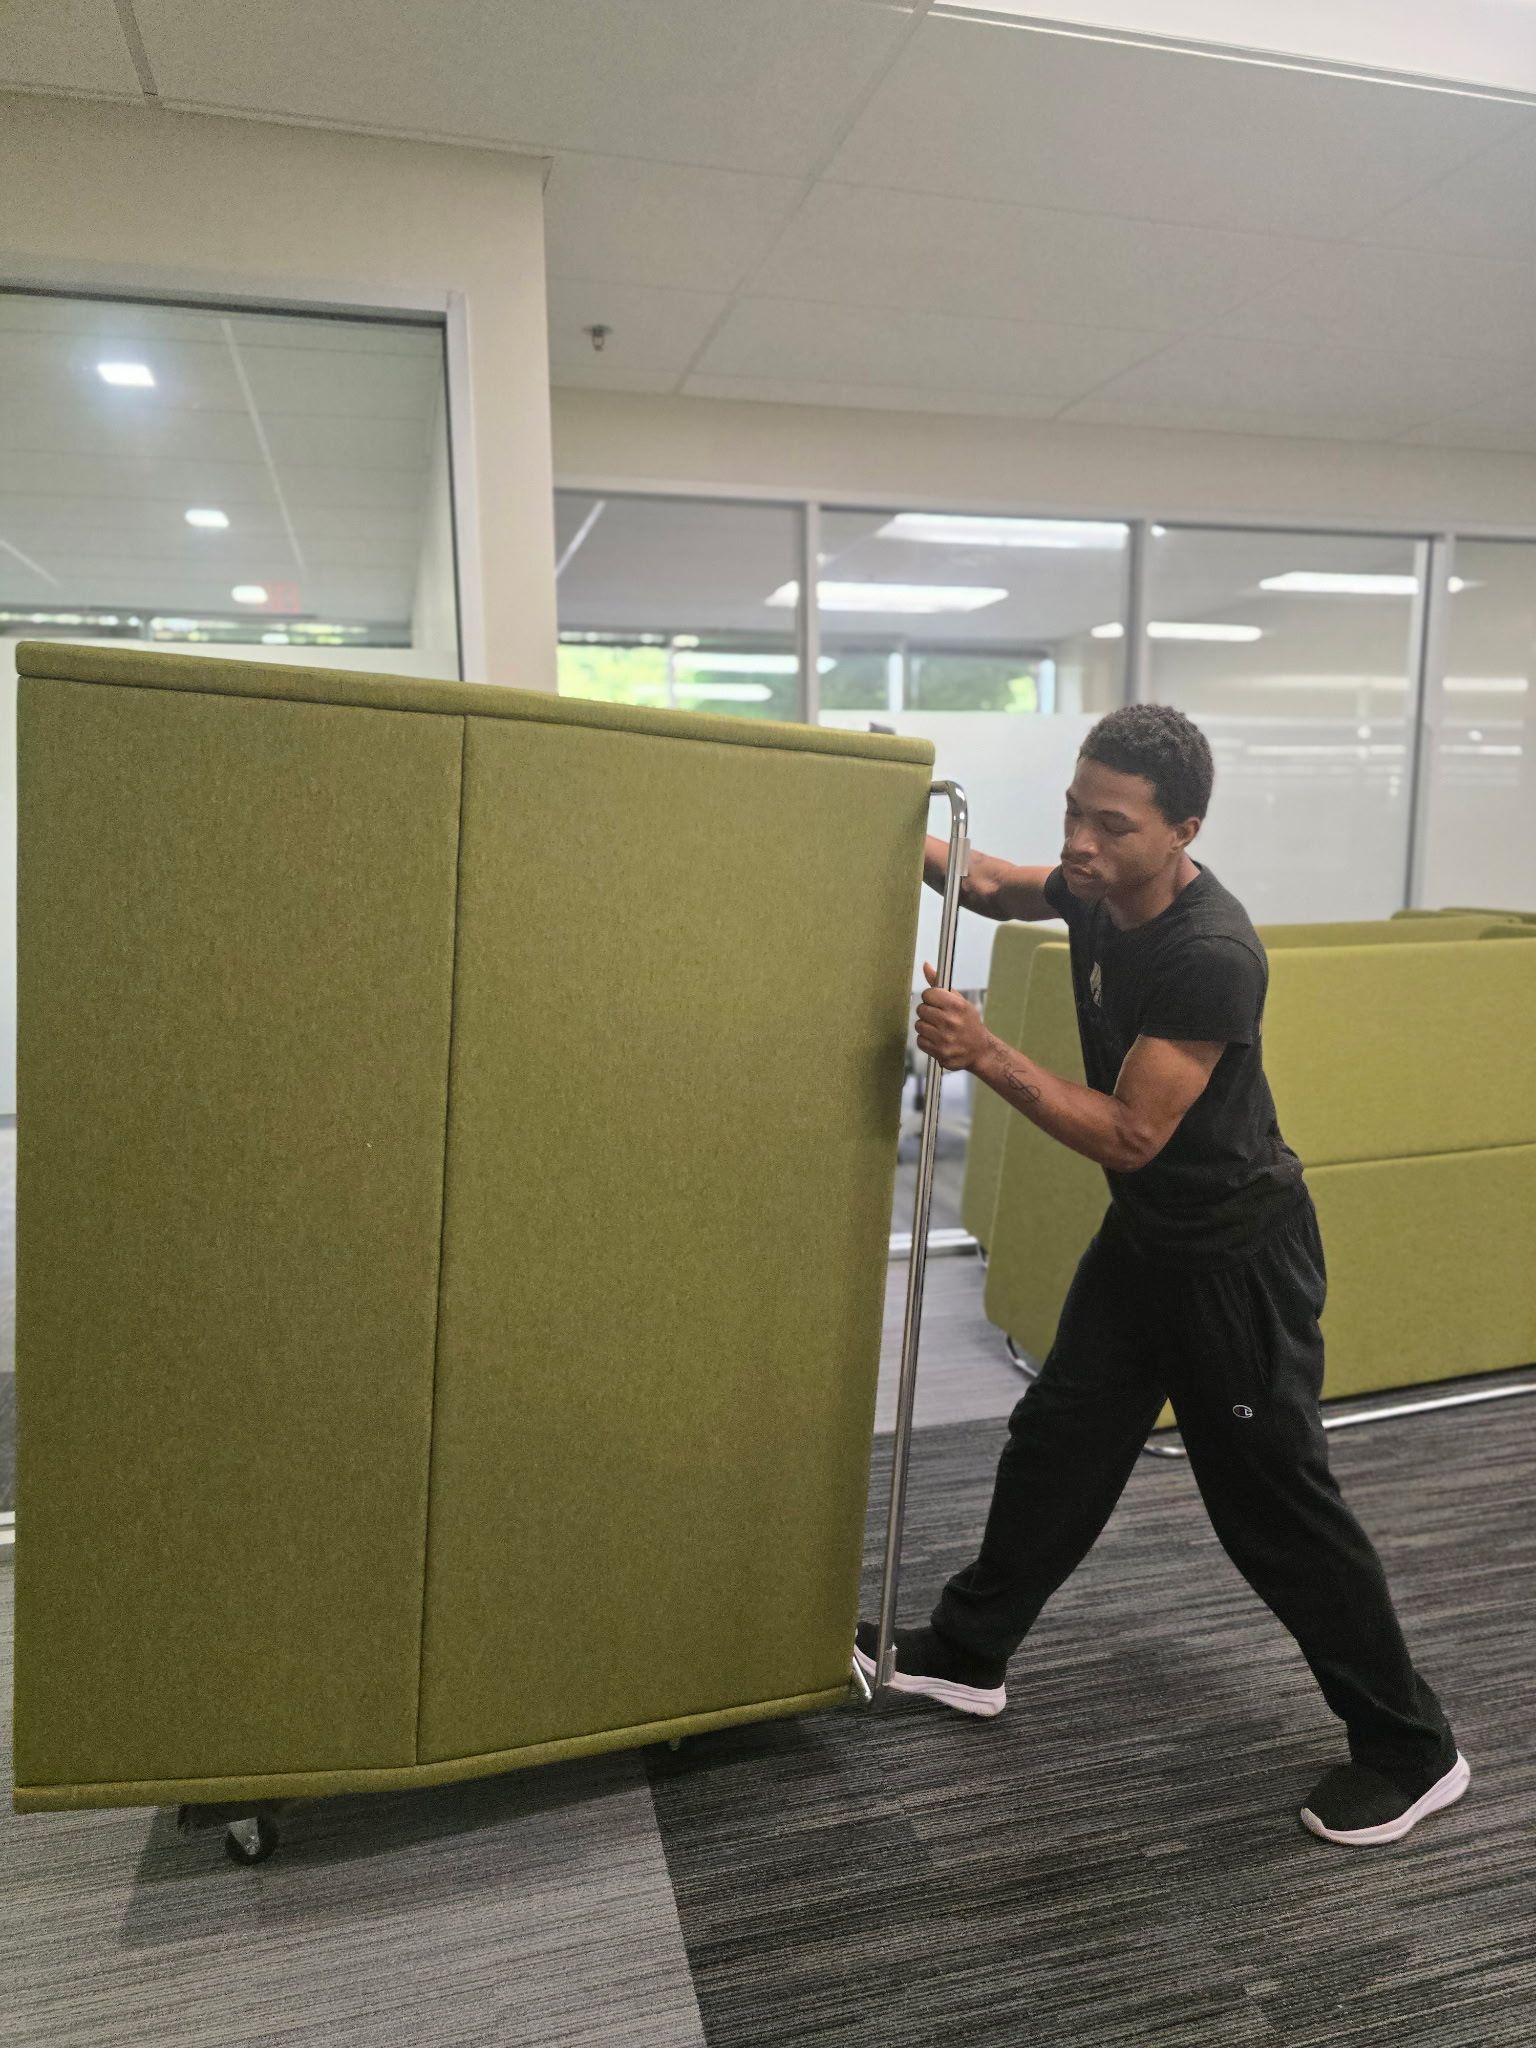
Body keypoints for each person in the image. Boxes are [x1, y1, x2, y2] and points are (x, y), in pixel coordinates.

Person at [855, 703, 1470, 1849]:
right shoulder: (1095, 887)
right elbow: (988, 882)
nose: (1082, 844)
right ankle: (969, 1651)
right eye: (1075, 814)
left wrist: (983, 1048)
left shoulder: (1209, 954)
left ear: (1183, 829)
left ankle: (1412, 1746)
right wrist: (868, 813)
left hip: (1234, 1258)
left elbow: (1132, 1132)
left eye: (1113, 825)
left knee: (1273, 1509)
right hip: (1147, 1242)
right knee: (1060, 1440)